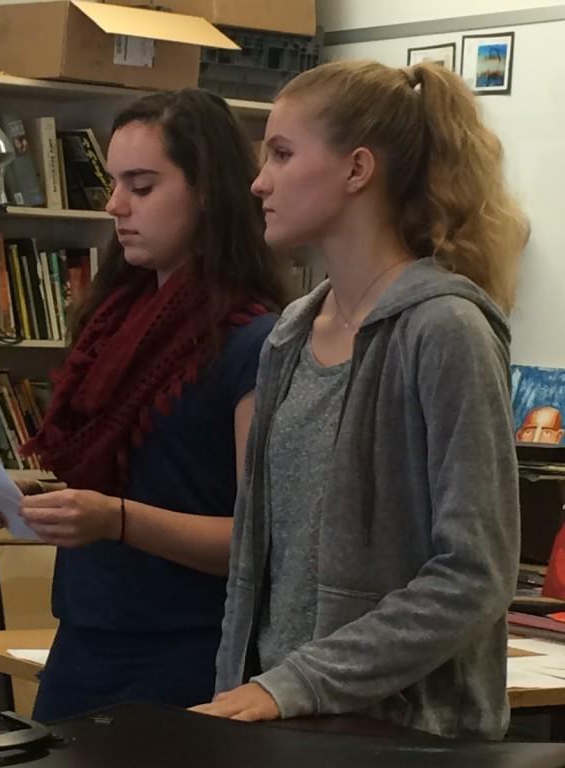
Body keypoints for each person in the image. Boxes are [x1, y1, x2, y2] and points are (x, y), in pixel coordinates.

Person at [193, 60, 528, 739]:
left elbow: (474, 574)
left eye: (283, 154)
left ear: (357, 170)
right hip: (284, 728)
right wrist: (244, 692)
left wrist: (298, 683)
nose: (259, 181)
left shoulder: (446, 331)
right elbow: (260, 564)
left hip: (406, 739)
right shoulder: (288, 334)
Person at [0, 89, 288, 721]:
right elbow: (127, 481)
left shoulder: (255, 341)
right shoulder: (114, 324)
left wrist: (115, 519)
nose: (115, 205)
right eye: (115, 184)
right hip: (85, 636)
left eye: (140, 186)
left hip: (187, 654)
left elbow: (260, 542)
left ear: (206, 192)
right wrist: (34, 501)